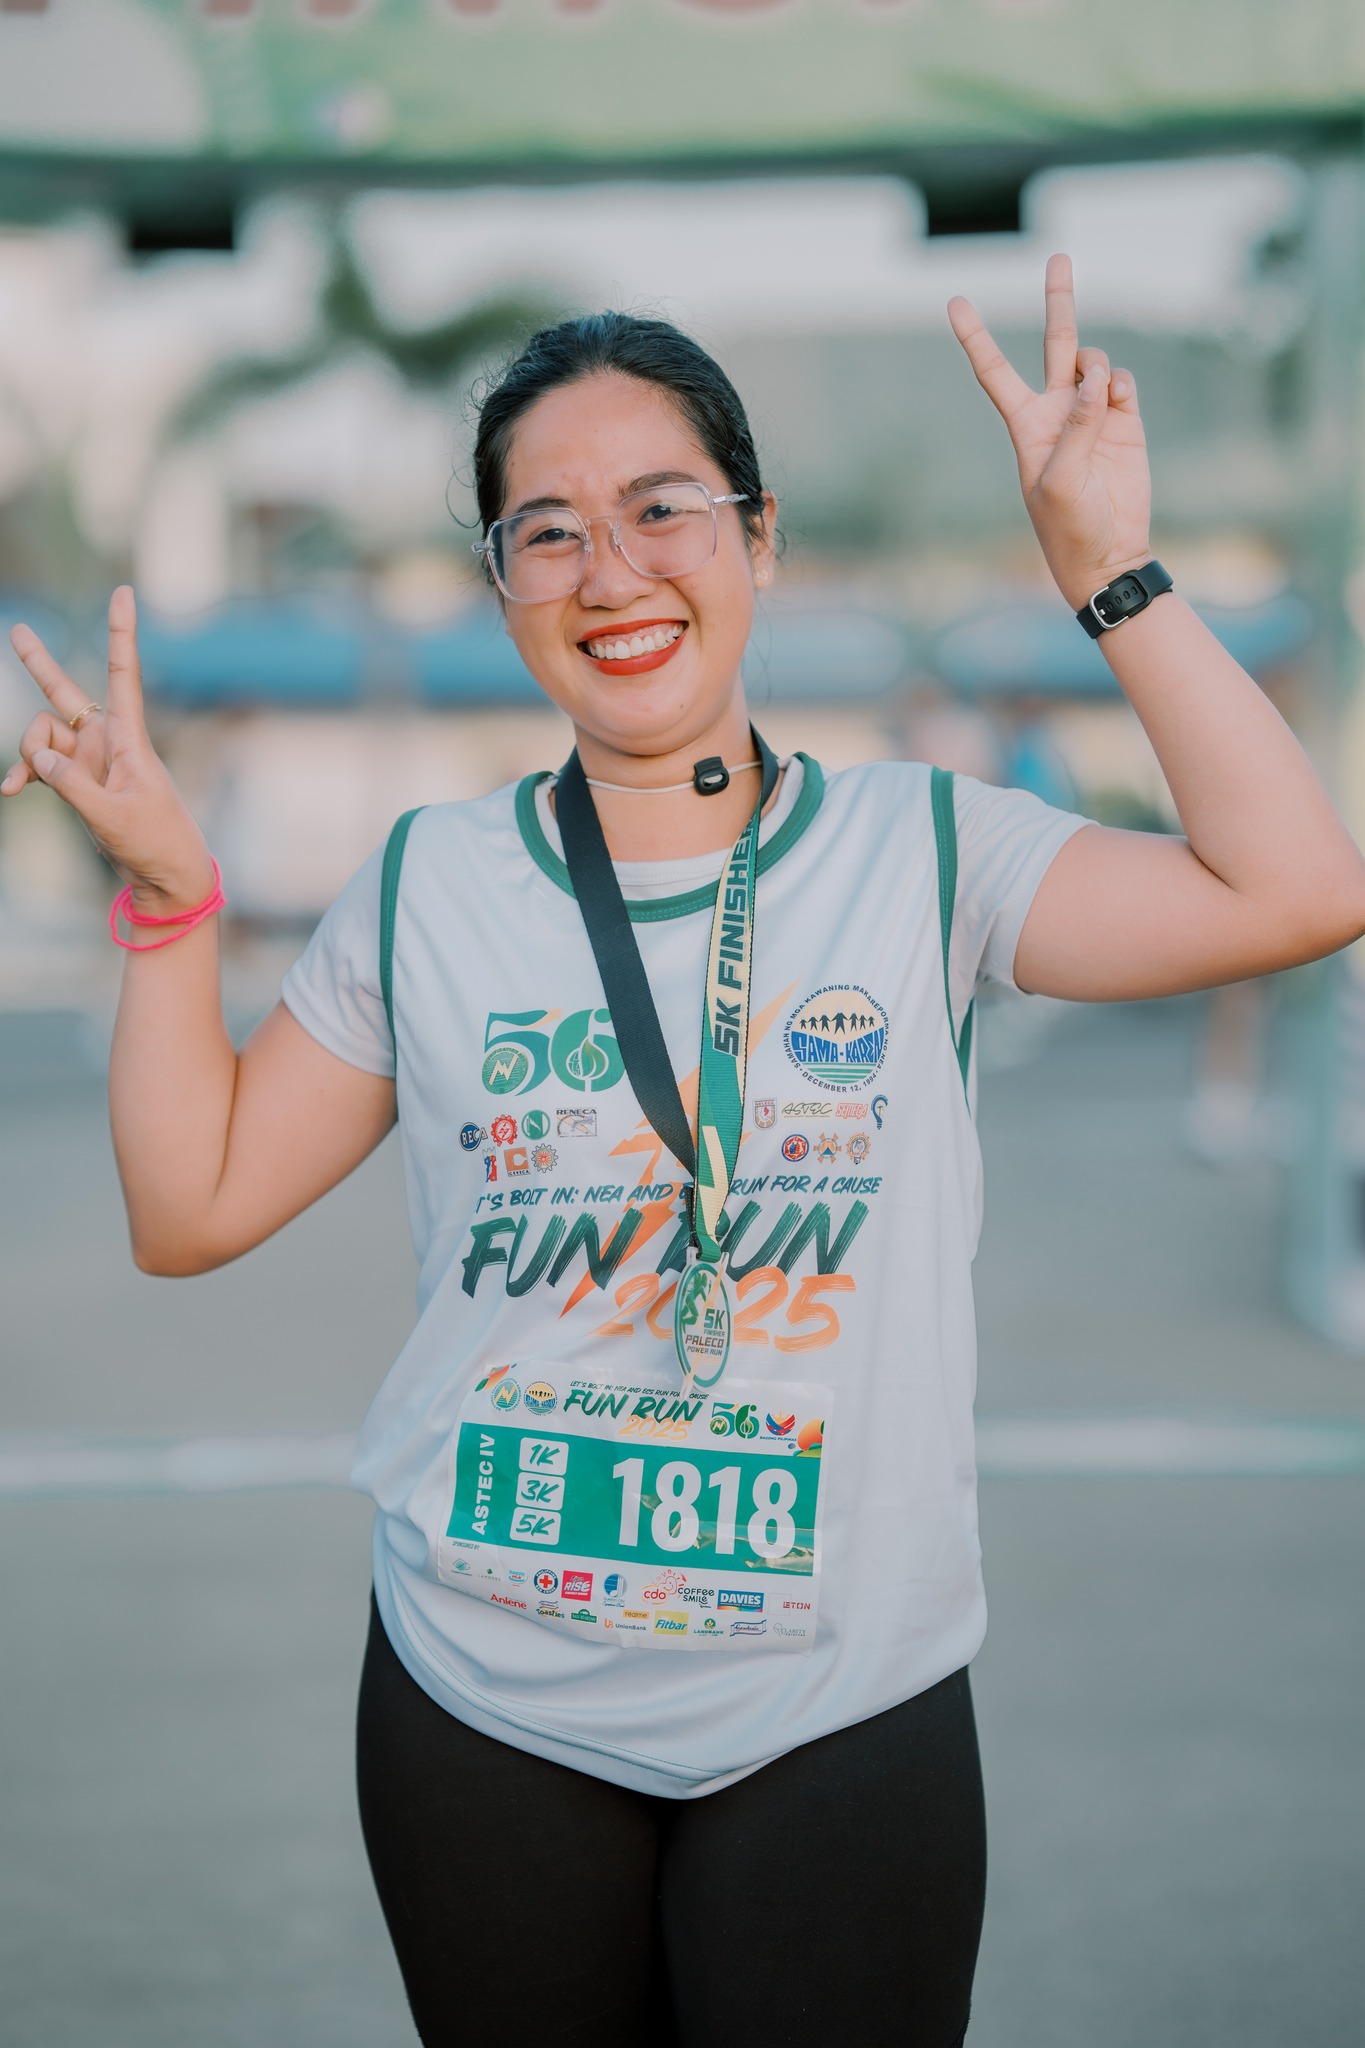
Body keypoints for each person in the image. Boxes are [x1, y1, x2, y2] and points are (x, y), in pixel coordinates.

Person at [5, 259, 1363, 2048]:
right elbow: (190, 1208)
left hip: (838, 1698)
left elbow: (1297, 891)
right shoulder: (426, 886)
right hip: (485, 1693)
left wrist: (1106, 569)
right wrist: (174, 903)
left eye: (661, 510)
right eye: (546, 534)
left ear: (757, 536)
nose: (611, 572)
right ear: (500, 585)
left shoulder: (922, 851)